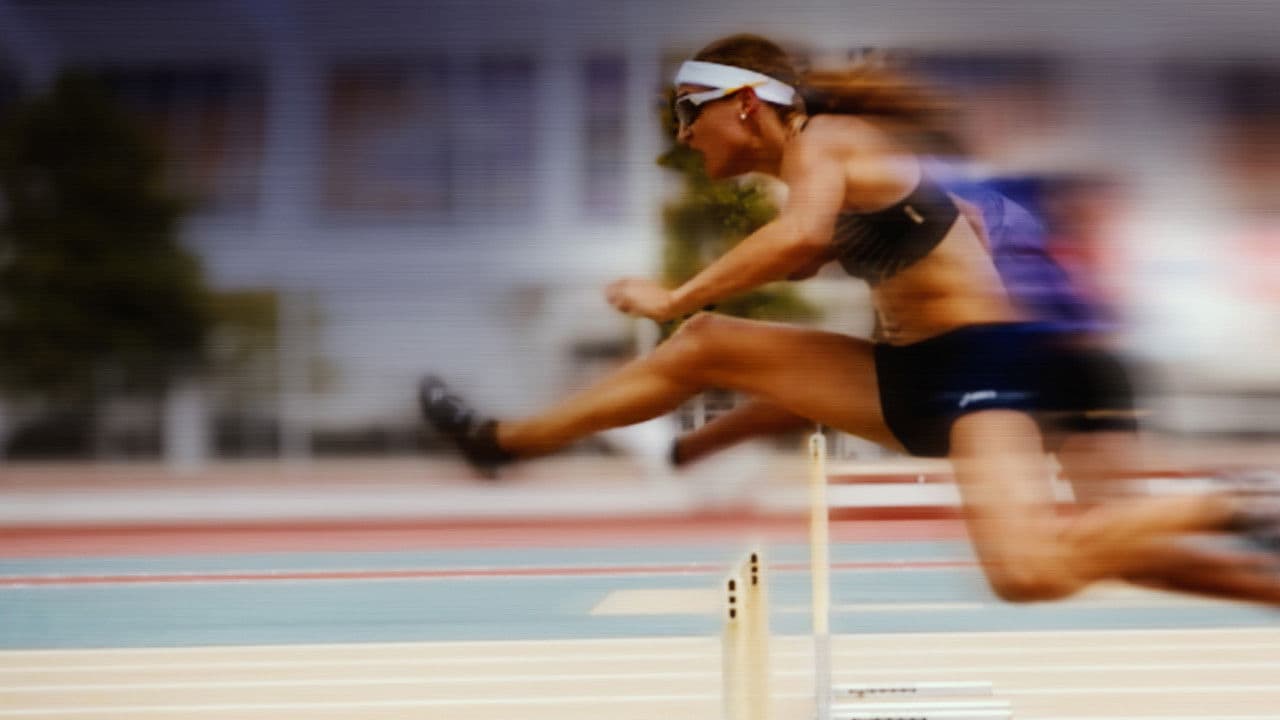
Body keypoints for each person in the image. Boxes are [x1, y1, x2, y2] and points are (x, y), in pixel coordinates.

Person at [422, 34, 1280, 603]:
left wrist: (674, 298)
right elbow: (804, 283)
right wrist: (701, 424)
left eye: (689, 111)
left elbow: (798, 242)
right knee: (711, 347)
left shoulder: (824, 142)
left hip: (980, 366)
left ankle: (1244, 503)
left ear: (744, 103)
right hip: (909, 374)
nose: (682, 135)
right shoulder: (814, 171)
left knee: (1031, 574)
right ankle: (502, 444)